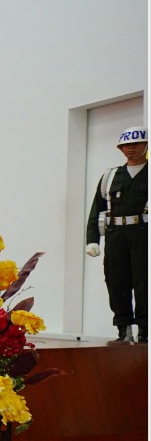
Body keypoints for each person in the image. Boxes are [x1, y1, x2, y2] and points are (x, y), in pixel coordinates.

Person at [86, 126, 147, 343]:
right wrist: (92, 239)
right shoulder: (110, 176)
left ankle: (145, 330)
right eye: (125, 145)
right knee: (116, 280)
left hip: (144, 234)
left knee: (144, 282)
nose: (130, 148)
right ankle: (123, 328)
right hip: (116, 235)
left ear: (146, 145)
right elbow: (97, 209)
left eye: (136, 144)